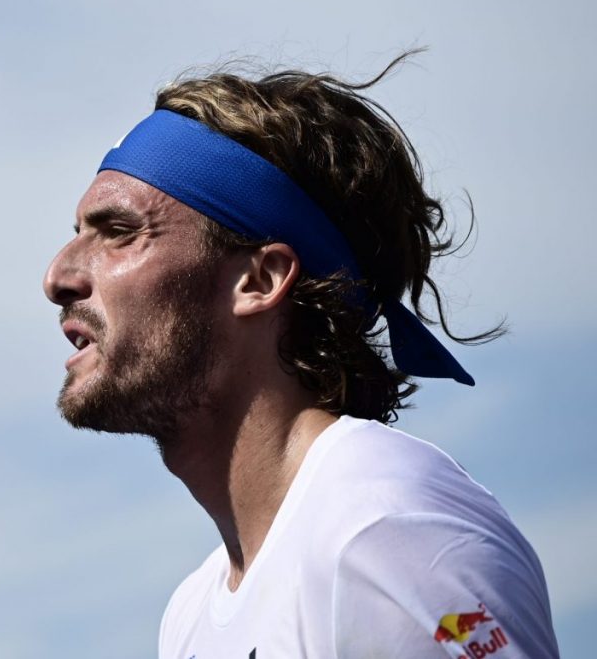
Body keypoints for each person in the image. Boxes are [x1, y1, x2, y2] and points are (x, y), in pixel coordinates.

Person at [42, 54, 560, 659]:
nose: (58, 276)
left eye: (119, 232)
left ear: (260, 280)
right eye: (79, 233)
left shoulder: (385, 530)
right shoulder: (190, 613)